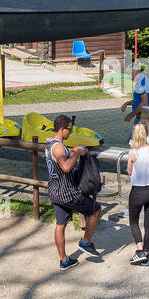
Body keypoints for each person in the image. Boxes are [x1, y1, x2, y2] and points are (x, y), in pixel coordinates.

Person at [44, 114, 102, 271]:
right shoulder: (58, 147)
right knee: (95, 209)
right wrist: (76, 154)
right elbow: (66, 167)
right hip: (67, 192)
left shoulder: (50, 144)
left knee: (60, 224)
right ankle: (85, 243)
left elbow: (60, 154)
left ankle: (64, 260)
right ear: (62, 129)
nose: (70, 133)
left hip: (54, 190)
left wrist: (73, 150)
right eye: (69, 130)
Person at [125, 123, 149, 265]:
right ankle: (146, 254)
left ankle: (140, 249)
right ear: (147, 133)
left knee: (134, 221)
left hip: (138, 190)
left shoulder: (133, 152)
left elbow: (129, 171)